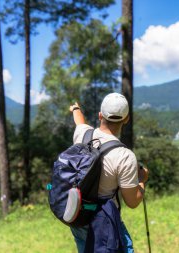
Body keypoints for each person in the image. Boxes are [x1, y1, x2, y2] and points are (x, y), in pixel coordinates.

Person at [69, 92, 149, 253]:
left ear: (100, 116)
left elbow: (80, 121)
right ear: (126, 119)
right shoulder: (124, 156)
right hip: (103, 220)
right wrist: (142, 180)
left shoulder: (83, 134)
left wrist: (75, 108)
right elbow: (132, 202)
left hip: (76, 213)